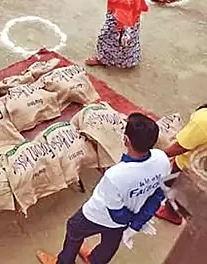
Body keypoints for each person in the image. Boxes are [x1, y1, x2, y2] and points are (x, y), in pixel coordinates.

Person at [36, 113, 170, 264]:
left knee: (74, 228)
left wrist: (129, 221)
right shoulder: (162, 160)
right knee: (110, 242)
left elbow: (116, 213)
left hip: (98, 215)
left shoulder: (115, 175)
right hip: (128, 217)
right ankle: (95, 260)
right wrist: (136, 223)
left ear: (126, 140)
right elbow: (158, 195)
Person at [86, 0, 148, 68]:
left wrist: (122, 29)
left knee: (107, 38)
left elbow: (123, 16)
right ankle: (129, 60)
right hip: (132, 20)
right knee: (127, 42)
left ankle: (104, 58)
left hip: (121, 22)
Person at [155, 104, 207, 225]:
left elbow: (181, 146)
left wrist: (157, 155)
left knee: (174, 188)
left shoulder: (203, 120)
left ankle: (170, 213)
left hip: (189, 167)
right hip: (200, 169)